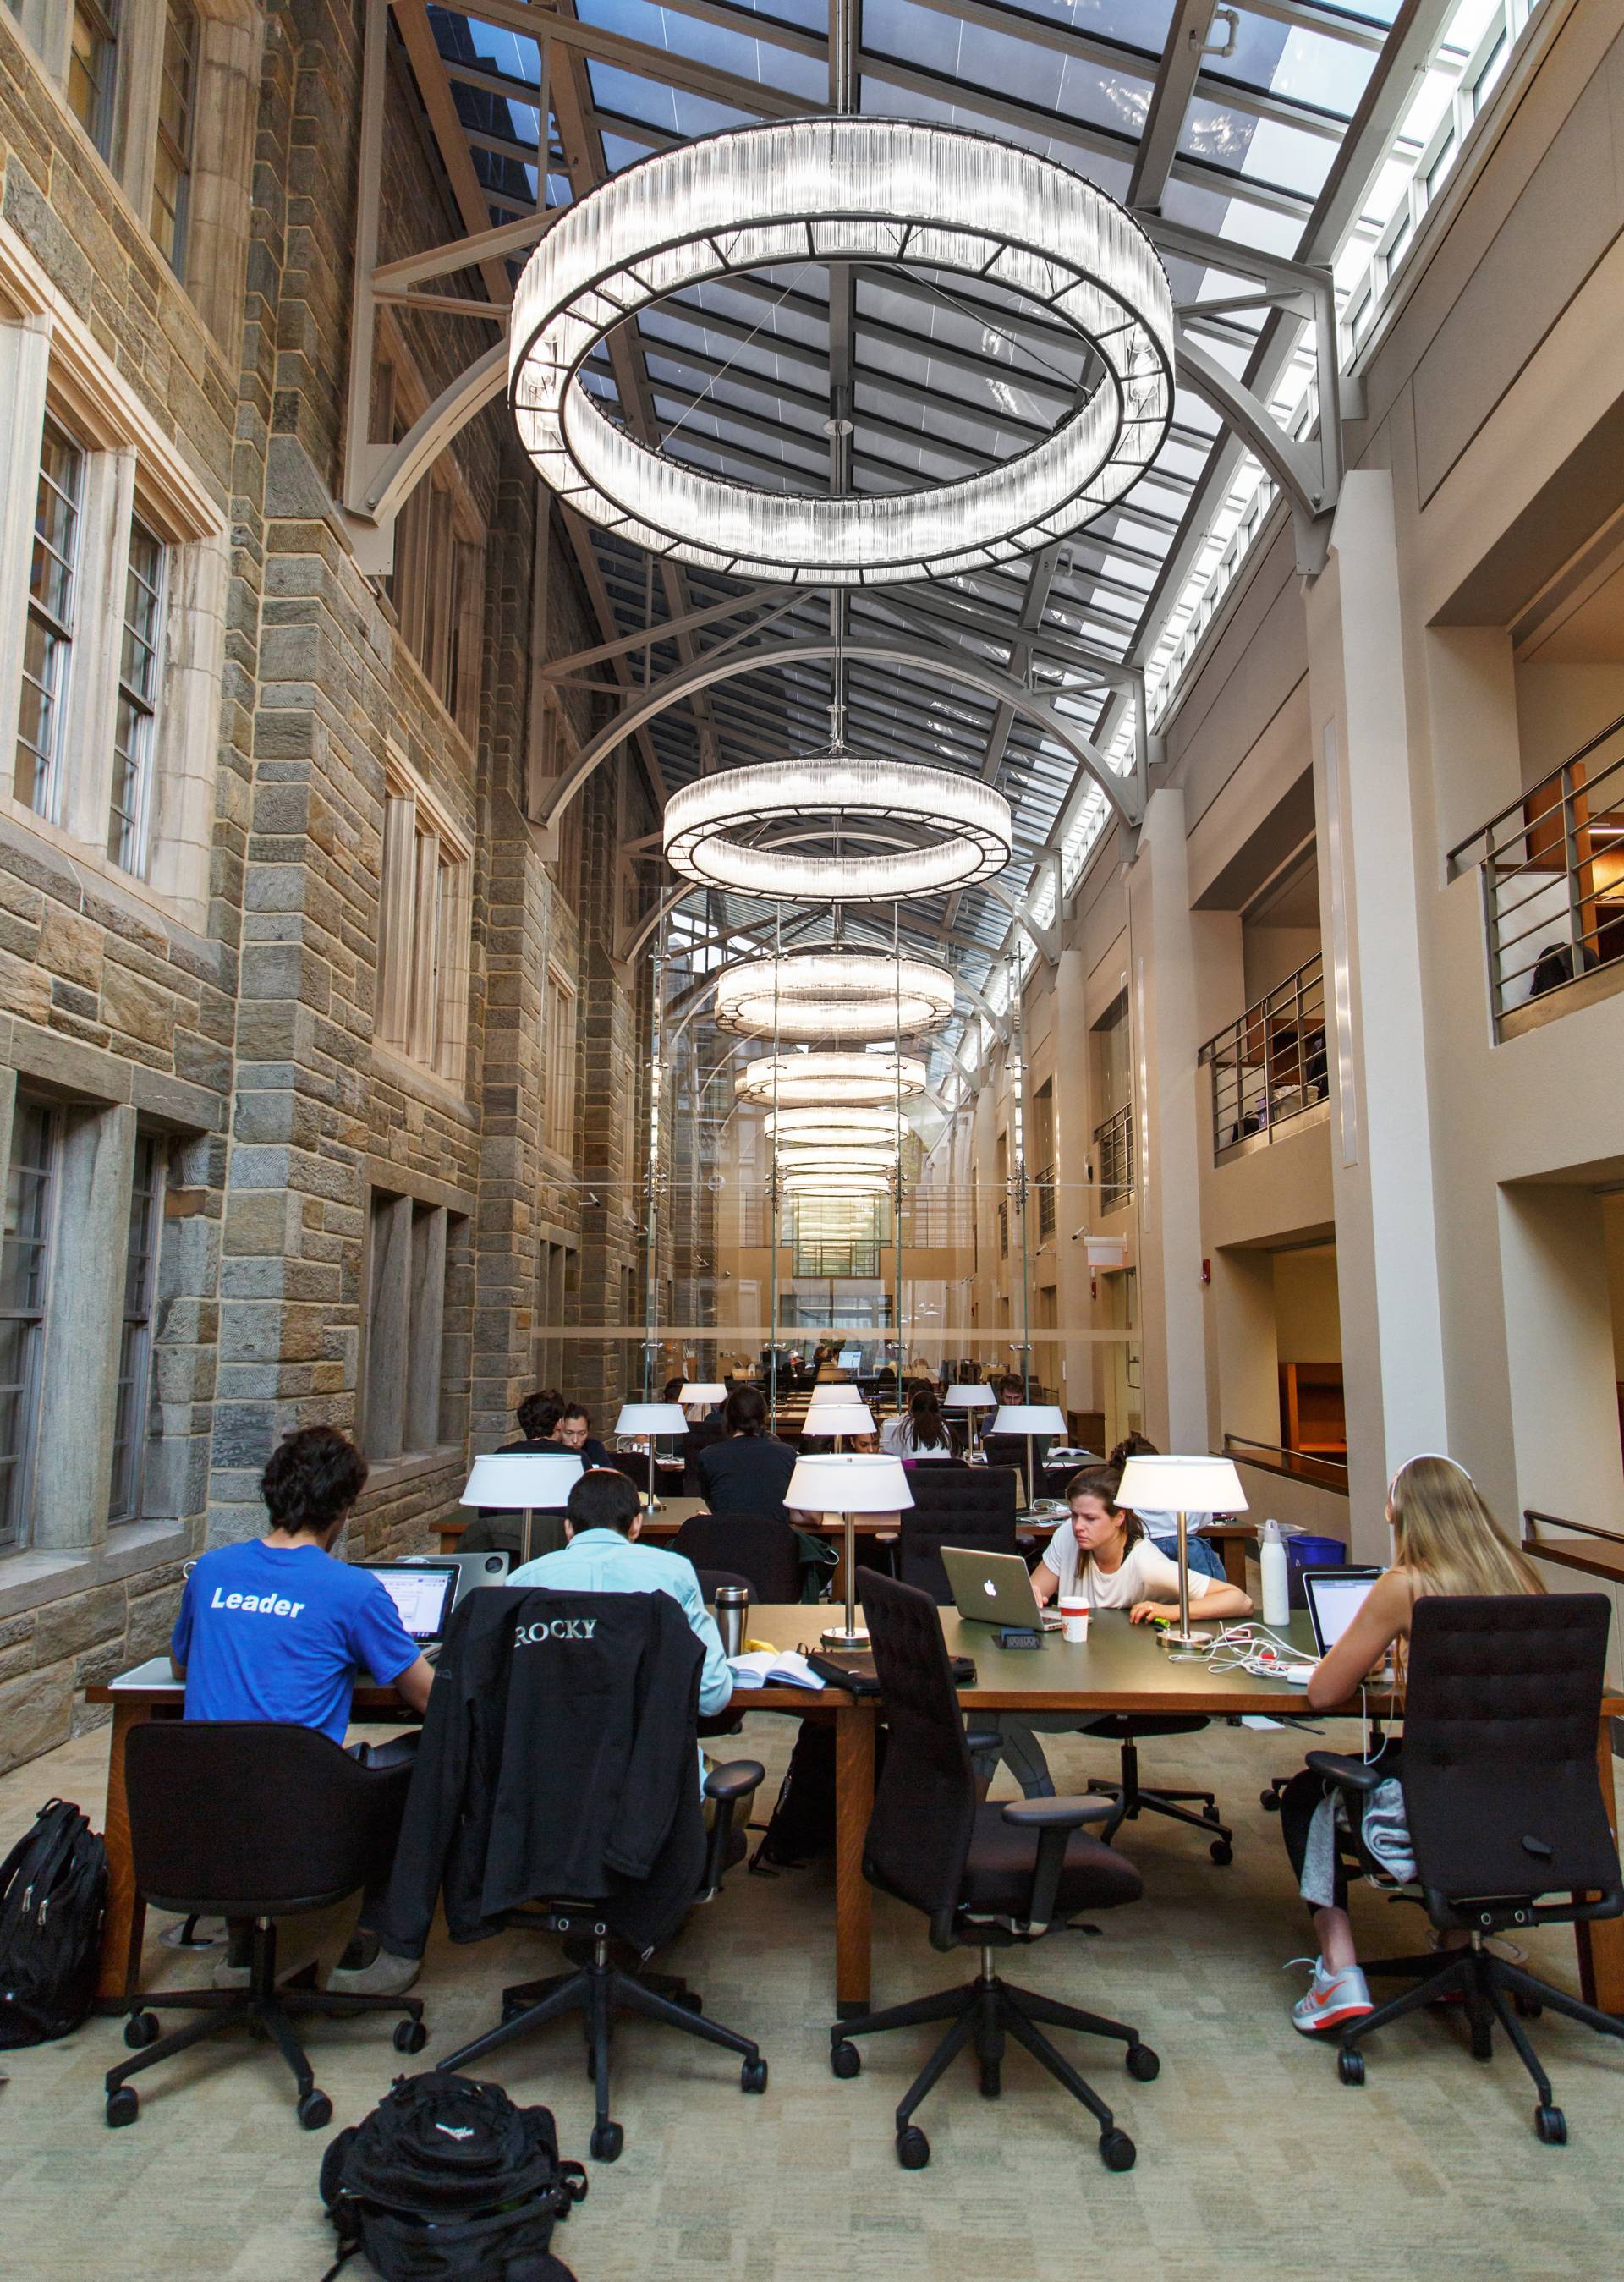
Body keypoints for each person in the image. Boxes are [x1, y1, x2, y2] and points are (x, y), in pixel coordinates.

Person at [1278, 1456, 1544, 2038]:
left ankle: (1339, 1969)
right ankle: (1457, 1946)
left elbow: (1324, 1692)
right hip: (1529, 1793)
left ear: (1399, 1512)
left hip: (1436, 1794)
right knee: (1440, 1769)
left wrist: (1378, 1655)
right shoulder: (1518, 1577)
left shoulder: (1405, 1585)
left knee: (1305, 1793)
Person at [168, 1425, 435, 1999]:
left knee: (234, 1759)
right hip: (304, 1828)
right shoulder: (353, 1590)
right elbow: (426, 1697)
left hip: (198, 1822)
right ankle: (381, 1939)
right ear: (342, 1508)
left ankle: (243, 1946)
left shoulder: (210, 1572)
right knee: (430, 1756)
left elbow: (183, 1662)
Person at [971, 1467, 1251, 1797]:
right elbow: (1037, 1589)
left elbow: (1240, 1600)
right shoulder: (1068, 1537)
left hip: (1114, 1687)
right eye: (1074, 1515)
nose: (1077, 1526)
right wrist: (1027, 1595)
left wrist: (1172, 1611)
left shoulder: (1144, 1562)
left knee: (994, 1712)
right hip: (1067, 1672)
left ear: (1119, 1517)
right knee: (988, 1705)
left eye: (1090, 1518)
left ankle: (1017, 1804)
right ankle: (1029, 1803)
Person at [511, 1468, 732, 1725]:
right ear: (636, 1524)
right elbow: (712, 1695)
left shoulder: (522, 1581)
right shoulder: (673, 1574)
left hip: (546, 1756)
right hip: (652, 1757)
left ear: (568, 1528)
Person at [1107, 1431, 1226, 1583]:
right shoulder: (1182, 1490)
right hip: (1187, 1553)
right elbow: (1204, 1519)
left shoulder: (1123, 1498)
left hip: (1143, 1553)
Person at [696, 1385, 797, 1522]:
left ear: (727, 1418)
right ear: (763, 1418)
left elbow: (714, 1504)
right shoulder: (787, 1454)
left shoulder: (708, 1456)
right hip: (774, 1540)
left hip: (724, 1540)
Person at [879, 1385, 956, 1460]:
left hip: (913, 1472)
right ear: (937, 1408)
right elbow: (958, 1457)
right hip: (943, 1472)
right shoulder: (946, 1427)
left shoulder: (906, 1427)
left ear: (912, 1408)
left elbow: (890, 1455)